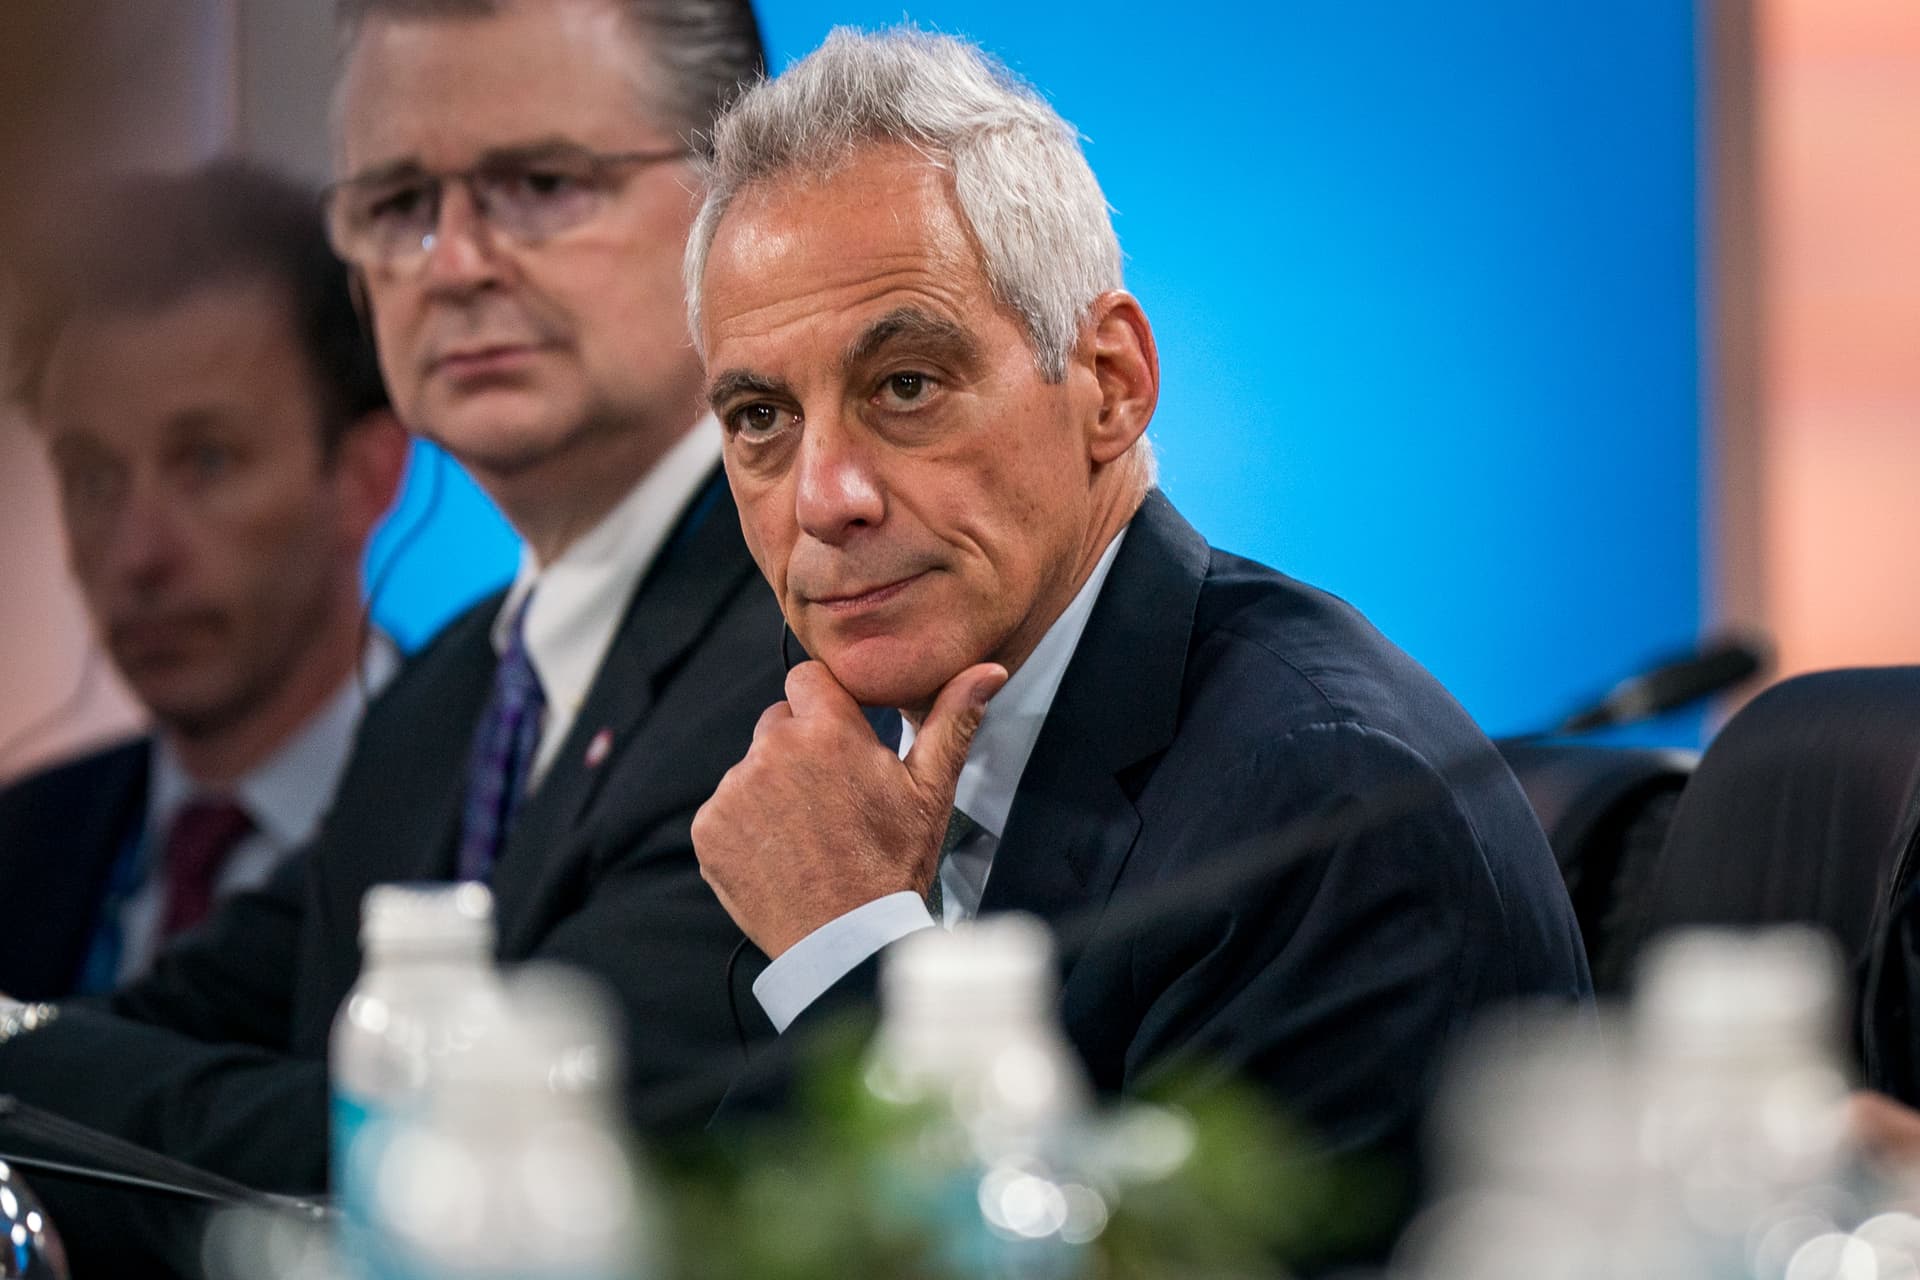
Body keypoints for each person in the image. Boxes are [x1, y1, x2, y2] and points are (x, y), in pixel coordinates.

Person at [686, 26, 1590, 1187]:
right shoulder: (855, 794)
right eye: (760, 419)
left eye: (905, 385)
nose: (826, 498)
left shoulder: (1319, 807)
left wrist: (849, 948)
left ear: (1110, 384)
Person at [0, 0, 778, 1272]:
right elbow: (196, 1010)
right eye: (399, 202)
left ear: (738, 206)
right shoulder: (453, 688)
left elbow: (523, 1157)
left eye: (537, 184)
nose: (454, 261)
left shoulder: (822, 637)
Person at [0, 161, 407, 999]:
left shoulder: (490, 817)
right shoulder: (19, 845)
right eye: (93, 478)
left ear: (367, 477)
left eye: (207, 461)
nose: (137, 554)